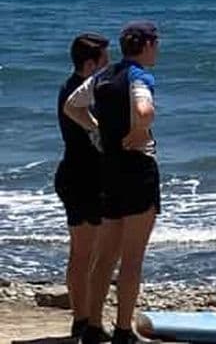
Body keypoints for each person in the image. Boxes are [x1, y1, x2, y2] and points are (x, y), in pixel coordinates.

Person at [65, 20, 161, 344]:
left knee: (105, 255)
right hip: (138, 170)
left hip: (109, 170)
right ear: (147, 45)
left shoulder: (102, 76)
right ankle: (122, 330)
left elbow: (72, 106)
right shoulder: (139, 75)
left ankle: (93, 326)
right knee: (132, 258)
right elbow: (144, 110)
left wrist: (97, 130)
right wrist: (138, 131)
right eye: (155, 43)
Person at [55, 32, 111, 340]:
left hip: (77, 176)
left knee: (83, 252)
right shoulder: (79, 94)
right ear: (91, 64)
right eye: (105, 59)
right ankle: (85, 319)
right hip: (83, 179)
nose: (109, 64)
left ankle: (83, 317)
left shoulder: (73, 88)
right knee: (86, 253)